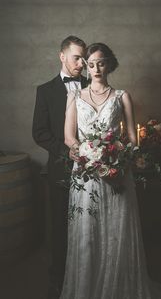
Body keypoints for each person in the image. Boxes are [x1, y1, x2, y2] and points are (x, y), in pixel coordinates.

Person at [60, 43, 161, 299]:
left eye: (101, 63)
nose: (95, 69)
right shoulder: (74, 97)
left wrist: (113, 154)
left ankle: (117, 289)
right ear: (85, 65)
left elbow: (131, 139)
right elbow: (69, 137)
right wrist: (86, 154)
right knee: (87, 232)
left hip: (116, 171)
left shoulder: (121, 96)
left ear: (110, 64)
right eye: (91, 64)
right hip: (86, 174)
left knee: (115, 231)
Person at [32, 35, 89, 299]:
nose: (82, 62)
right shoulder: (45, 91)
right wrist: (67, 152)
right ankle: (58, 278)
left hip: (92, 168)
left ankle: (90, 275)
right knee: (60, 226)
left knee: (90, 225)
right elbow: (40, 133)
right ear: (61, 56)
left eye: (84, 57)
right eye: (76, 57)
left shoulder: (94, 85)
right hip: (60, 168)